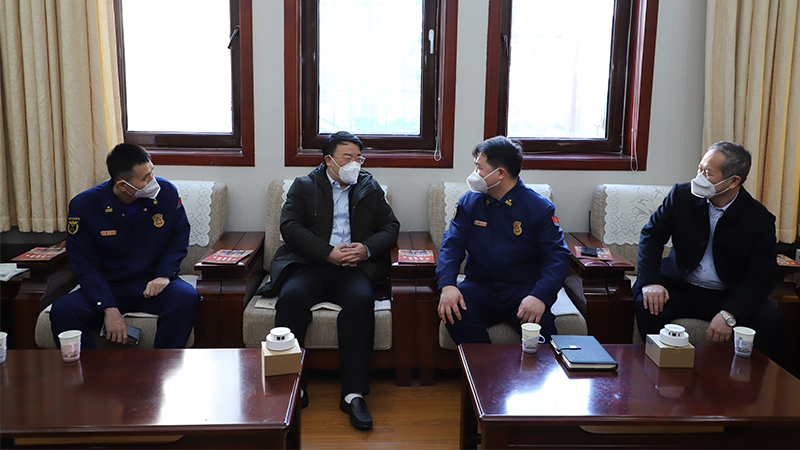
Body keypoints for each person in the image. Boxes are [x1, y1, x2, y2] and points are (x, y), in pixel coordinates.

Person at [255, 131, 399, 430]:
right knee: (291, 298)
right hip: (310, 265)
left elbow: (390, 227)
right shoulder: (304, 186)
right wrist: (326, 253)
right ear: (329, 160)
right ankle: (294, 387)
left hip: (353, 268)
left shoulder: (369, 186)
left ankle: (353, 394)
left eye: (359, 158)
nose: (355, 164)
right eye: (348, 158)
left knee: (361, 301)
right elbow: (289, 227)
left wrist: (365, 249)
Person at [634, 141, 782, 359]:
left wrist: (730, 314)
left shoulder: (759, 219)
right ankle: (660, 367)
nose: (699, 177)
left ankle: (750, 377)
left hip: (726, 294)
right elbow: (651, 236)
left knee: (769, 317)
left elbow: (763, 276)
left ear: (733, 181)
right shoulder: (681, 195)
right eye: (700, 169)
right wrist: (651, 281)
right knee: (646, 303)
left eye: (708, 173)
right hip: (681, 286)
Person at [50, 143, 199, 349]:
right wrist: (108, 307)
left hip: (151, 283)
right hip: (108, 286)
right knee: (64, 310)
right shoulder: (84, 206)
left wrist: (165, 274)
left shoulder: (166, 193)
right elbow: (82, 262)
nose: (153, 180)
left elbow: (178, 237)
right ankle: (88, 368)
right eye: (145, 177)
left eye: (152, 172)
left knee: (186, 297)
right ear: (123, 185)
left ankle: (163, 363)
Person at [436, 136, 571, 345]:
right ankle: (485, 365)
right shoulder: (469, 202)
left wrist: (540, 296)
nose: (474, 174)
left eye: (479, 168)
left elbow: (558, 256)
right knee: (454, 312)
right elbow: (451, 246)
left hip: (523, 289)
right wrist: (447, 285)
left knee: (543, 330)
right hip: (479, 285)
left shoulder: (538, 207)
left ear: (500, 174)